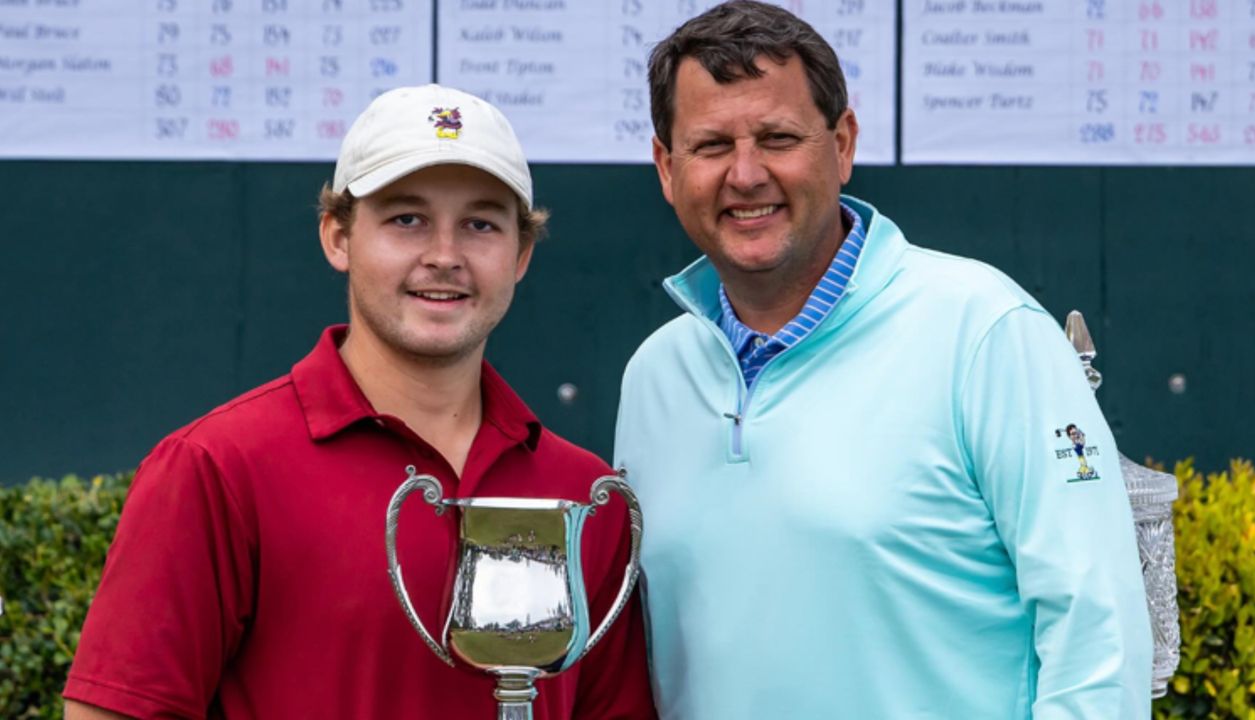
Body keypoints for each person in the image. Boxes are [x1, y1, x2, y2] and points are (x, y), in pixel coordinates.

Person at [613, 2, 1152, 718]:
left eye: (777, 137)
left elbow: (1099, 637)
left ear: (842, 144)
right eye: (711, 145)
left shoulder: (984, 331)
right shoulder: (655, 376)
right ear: (665, 167)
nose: (745, 175)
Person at [64, 84, 656, 719]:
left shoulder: (581, 494)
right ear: (338, 237)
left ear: (521, 254)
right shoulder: (217, 467)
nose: (444, 256)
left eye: (480, 224)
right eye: (407, 219)